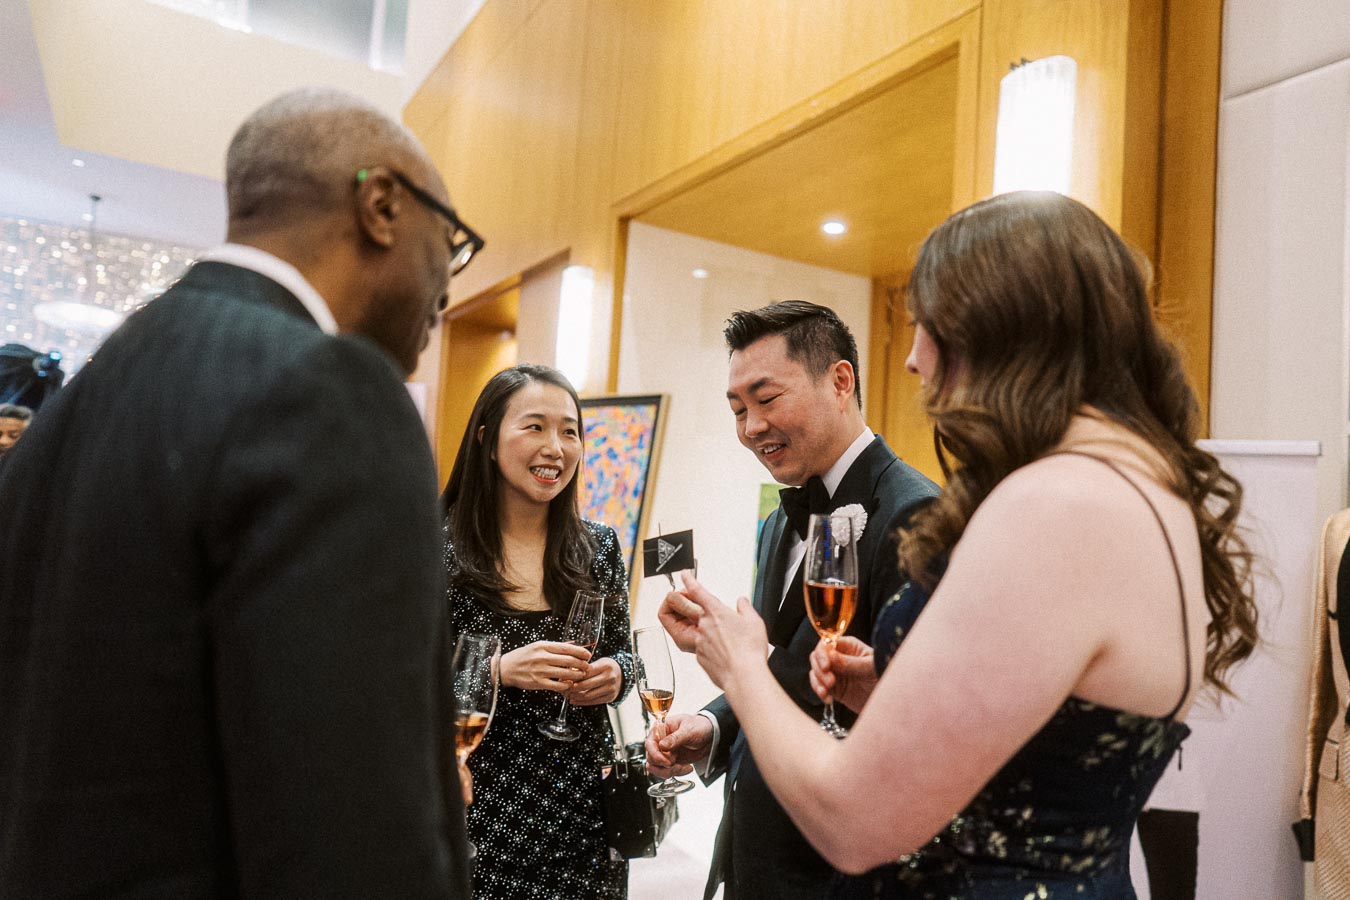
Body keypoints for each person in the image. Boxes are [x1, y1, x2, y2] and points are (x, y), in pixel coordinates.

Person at [681, 191, 1260, 898]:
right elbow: (1054, 736)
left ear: (1004, 328)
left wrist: (741, 664)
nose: (913, 360)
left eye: (928, 325)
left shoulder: (1052, 504)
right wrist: (890, 689)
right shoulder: (1144, 487)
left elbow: (856, 821)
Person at [0, 87, 479, 897]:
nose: (446, 288)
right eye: (452, 243)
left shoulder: (74, 405)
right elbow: (353, 832)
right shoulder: (329, 391)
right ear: (383, 207)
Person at [648, 301, 938, 899]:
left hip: (839, 871)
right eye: (738, 409)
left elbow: (917, 720)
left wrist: (741, 661)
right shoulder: (778, 522)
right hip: (755, 859)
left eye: (767, 399)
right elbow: (781, 672)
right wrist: (714, 725)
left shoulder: (916, 515)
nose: (752, 427)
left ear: (840, 381)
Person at [442, 363, 635, 899]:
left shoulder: (598, 547)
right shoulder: (437, 550)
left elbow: (626, 654)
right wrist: (498, 670)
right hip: (480, 810)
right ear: (487, 439)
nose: (555, 448)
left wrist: (616, 675)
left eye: (570, 432)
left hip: (584, 817)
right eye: (535, 427)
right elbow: (400, 681)